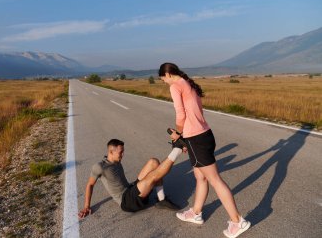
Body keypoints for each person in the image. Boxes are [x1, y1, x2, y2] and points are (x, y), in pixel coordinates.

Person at [159, 62, 250, 238]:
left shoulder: (176, 86)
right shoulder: (188, 84)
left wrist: (178, 134)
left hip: (196, 139)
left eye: (163, 79)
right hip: (204, 135)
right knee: (200, 176)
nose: (164, 82)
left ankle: (238, 221)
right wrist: (185, 137)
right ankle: (196, 213)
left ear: (168, 74)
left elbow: (181, 114)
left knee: (215, 180)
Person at [78, 138, 185, 219]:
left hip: (131, 189)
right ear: (111, 152)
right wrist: (86, 206)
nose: (123, 155)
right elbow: (90, 184)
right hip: (127, 202)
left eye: (123, 151)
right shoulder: (100, 167)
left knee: (153, 162)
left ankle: (161, 200)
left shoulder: (116, 162)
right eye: (120, 152)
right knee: (153, 176)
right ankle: (178, 149)